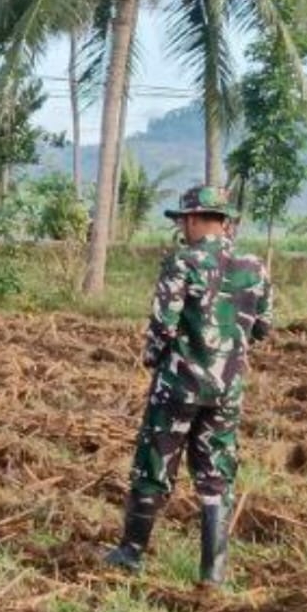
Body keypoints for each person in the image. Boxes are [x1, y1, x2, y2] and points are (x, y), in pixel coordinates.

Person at [104, 185, 274, 585]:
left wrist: (152, 358)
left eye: (183, 220)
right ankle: (213, 572)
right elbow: (264, 327)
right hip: (227, 390)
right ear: (225, 220)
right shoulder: (254, 266)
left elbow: (163, 325)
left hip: (178, 386)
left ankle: (130, 552)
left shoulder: (182, 262)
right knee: (216, 475)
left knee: (154, 464)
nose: (182, 227)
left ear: (195, 219)